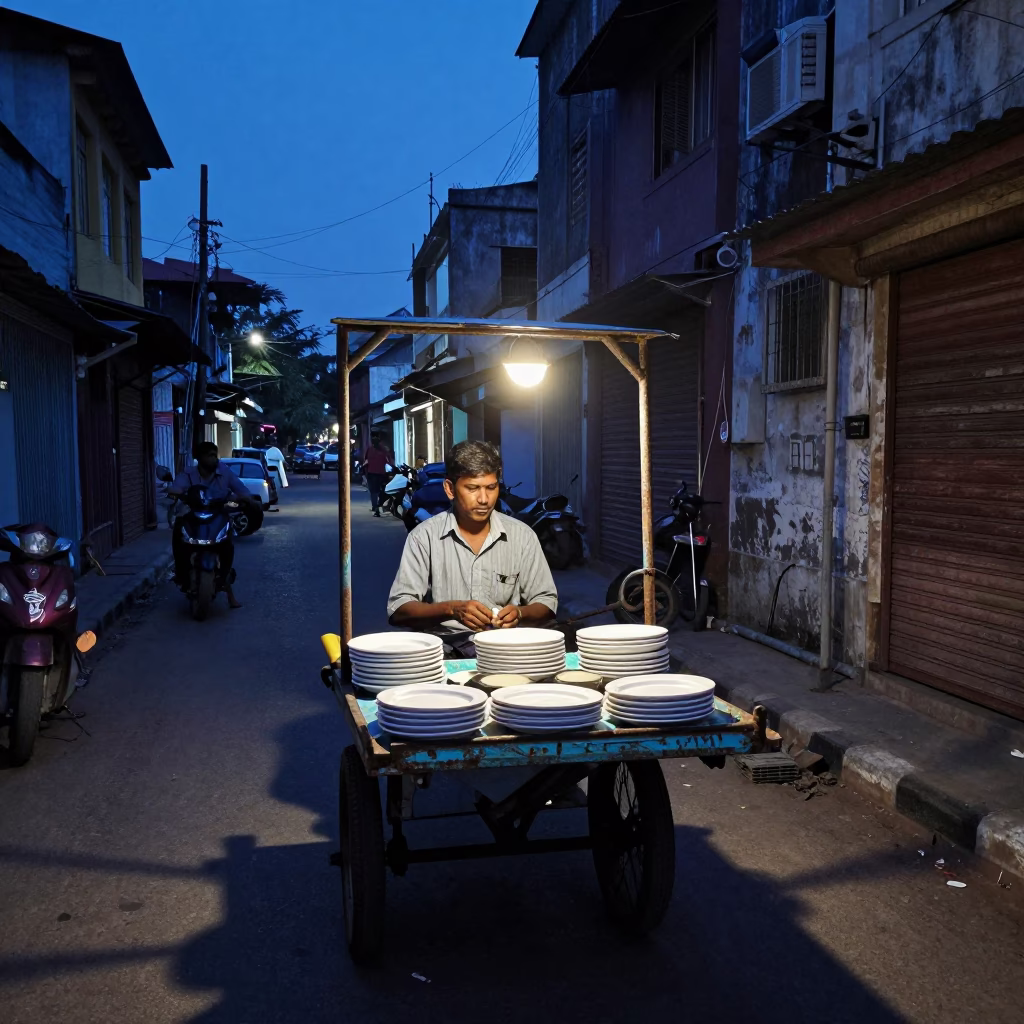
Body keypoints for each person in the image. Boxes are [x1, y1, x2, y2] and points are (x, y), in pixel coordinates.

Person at [388, 440, 557, 634]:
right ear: (450, 489)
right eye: (472, 488)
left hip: (504, 648)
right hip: (445, 650)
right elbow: (398, 609)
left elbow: (546, 602)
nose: (484, 499)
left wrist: (519, 613)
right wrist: (451, 609)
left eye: (491, 488)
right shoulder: (423, 537)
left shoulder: (523, 536)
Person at [167, 442, 261, 610]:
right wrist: (178, 492)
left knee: (227, 544)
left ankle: (226, 582)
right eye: (208, 455)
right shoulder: (189, 474)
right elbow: (174, 488)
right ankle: (180, 571)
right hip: (192, 515)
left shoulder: (224, 472)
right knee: (178, 530)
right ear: (199, 457)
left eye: (214, 455)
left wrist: (248, 500)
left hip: (217, 516)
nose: (213, 458)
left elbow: (241, 490)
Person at [361, 432, 393, 517]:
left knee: (375, 492)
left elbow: (366, 461)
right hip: (377, 474)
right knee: (377, 491)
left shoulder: (376, 449)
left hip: (376, 474)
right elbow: (389, 461)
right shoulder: (382, 450)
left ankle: (376, 507)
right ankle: (377, 507)